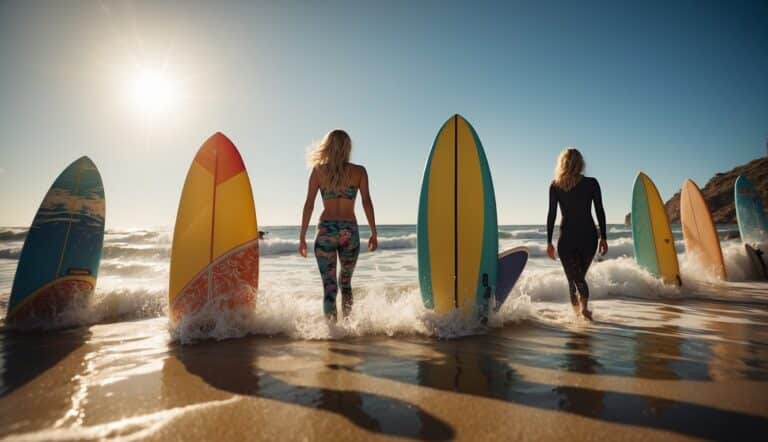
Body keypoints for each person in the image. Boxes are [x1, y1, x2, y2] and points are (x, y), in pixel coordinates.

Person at [299, 129, 378, 321]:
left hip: (326, 230)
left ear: (327, 147)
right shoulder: (359, 171)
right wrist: (374, 232)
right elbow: (366, 202)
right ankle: (348, 330)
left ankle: (332, 333)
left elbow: (309, 204)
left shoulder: (318, 171)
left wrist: (301, 236)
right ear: (348, 148)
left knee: (329, 287)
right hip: (349, 231)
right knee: (346, 284)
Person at [546, 147, 608, 321]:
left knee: (575, 277)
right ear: (580, 163)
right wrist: (603, 237)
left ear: (562, 164)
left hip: (567, 238)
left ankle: (582, 312)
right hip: (589, 237)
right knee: (576, 277)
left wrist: (549, 241)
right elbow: (600, 212)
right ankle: (581, 312)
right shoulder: (591, 183)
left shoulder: (556, 185)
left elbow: (551, 215)